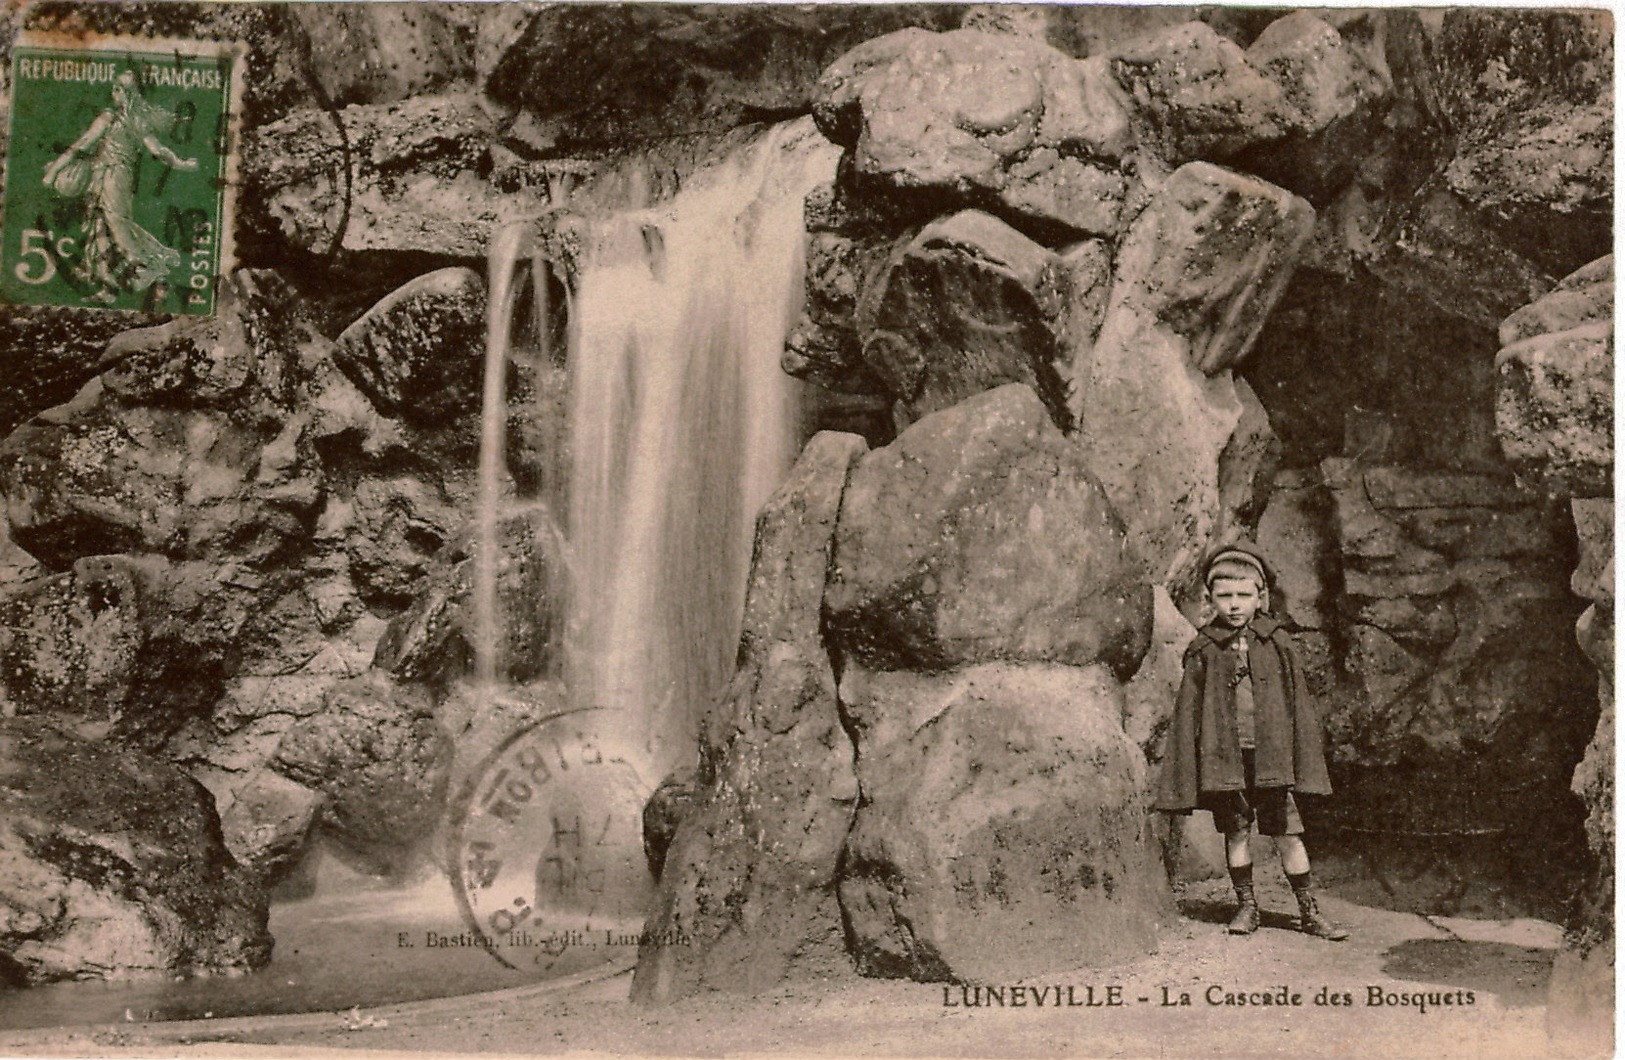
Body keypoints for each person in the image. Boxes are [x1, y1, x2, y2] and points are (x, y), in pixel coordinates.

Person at [1154, 542, 1347, 940]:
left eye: (1244, 595)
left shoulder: (1277, 642)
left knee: (1287, 833)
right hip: (1228, 758)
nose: (1235, 604)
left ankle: (1308, 911)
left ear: (1261, 596)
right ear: (1210, 599)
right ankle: (1247, 906)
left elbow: (1297, 704)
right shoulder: (1204, 649)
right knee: (1236, 831)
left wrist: (1298, 757)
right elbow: (1188, 711)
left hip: (1271, 758)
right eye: (1224, 596)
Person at [41, 70, 198, 303]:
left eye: (116, 89)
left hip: (111, 176)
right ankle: (110, 285)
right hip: (115, 175)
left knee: (114, 224)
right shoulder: (137, 120)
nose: (112, 93)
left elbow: (82, 144)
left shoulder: (111, 118)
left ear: (124, 92)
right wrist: (181, 164)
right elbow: (158, 151)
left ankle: (147, 266)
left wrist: (54, 171)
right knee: (103, 224)